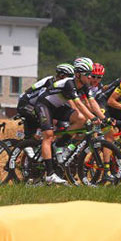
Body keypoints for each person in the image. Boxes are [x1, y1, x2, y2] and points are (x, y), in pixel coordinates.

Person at [34, 57, 97, 185]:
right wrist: (93, 118)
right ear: (78, 74)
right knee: (48, 136)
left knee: (80, 119)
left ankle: (60, 144)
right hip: (44, 105)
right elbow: (78, 104)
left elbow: (92, 102)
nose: (91, 77)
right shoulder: (70, 84)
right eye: (88, 75)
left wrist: (103, 118)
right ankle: (50, 175)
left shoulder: (84, 85)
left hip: (56, 107)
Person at [16, 63, 75, 139]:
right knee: (46, 124)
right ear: (61, 75)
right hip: (26, 104)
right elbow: (42, 100)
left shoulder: (60, 84)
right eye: (69, 77)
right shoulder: (50, 82)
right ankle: (28, 140)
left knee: (58, 124)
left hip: (34, 104)